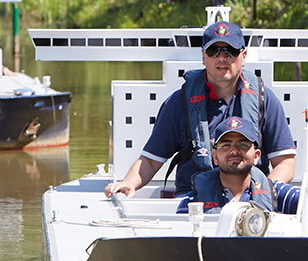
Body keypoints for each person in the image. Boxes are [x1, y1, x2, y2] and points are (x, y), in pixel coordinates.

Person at [105, 19, 296, 198]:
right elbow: (150, 161)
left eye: (230, 51)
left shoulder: (265, 100)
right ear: (203, 56)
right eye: (214, 51)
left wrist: (259, 194)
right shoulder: (179, 103)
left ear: (243, 56)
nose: (222, 58)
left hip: (249, 204)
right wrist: (129, 183)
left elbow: (286, 163)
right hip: (193, 201)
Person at [175, 115, 308, 215]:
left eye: (243, 144)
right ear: (214, 156)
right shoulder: (194, 200)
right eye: (226, 145)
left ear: (256, 155)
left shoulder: (273, 192)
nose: (234, 151)